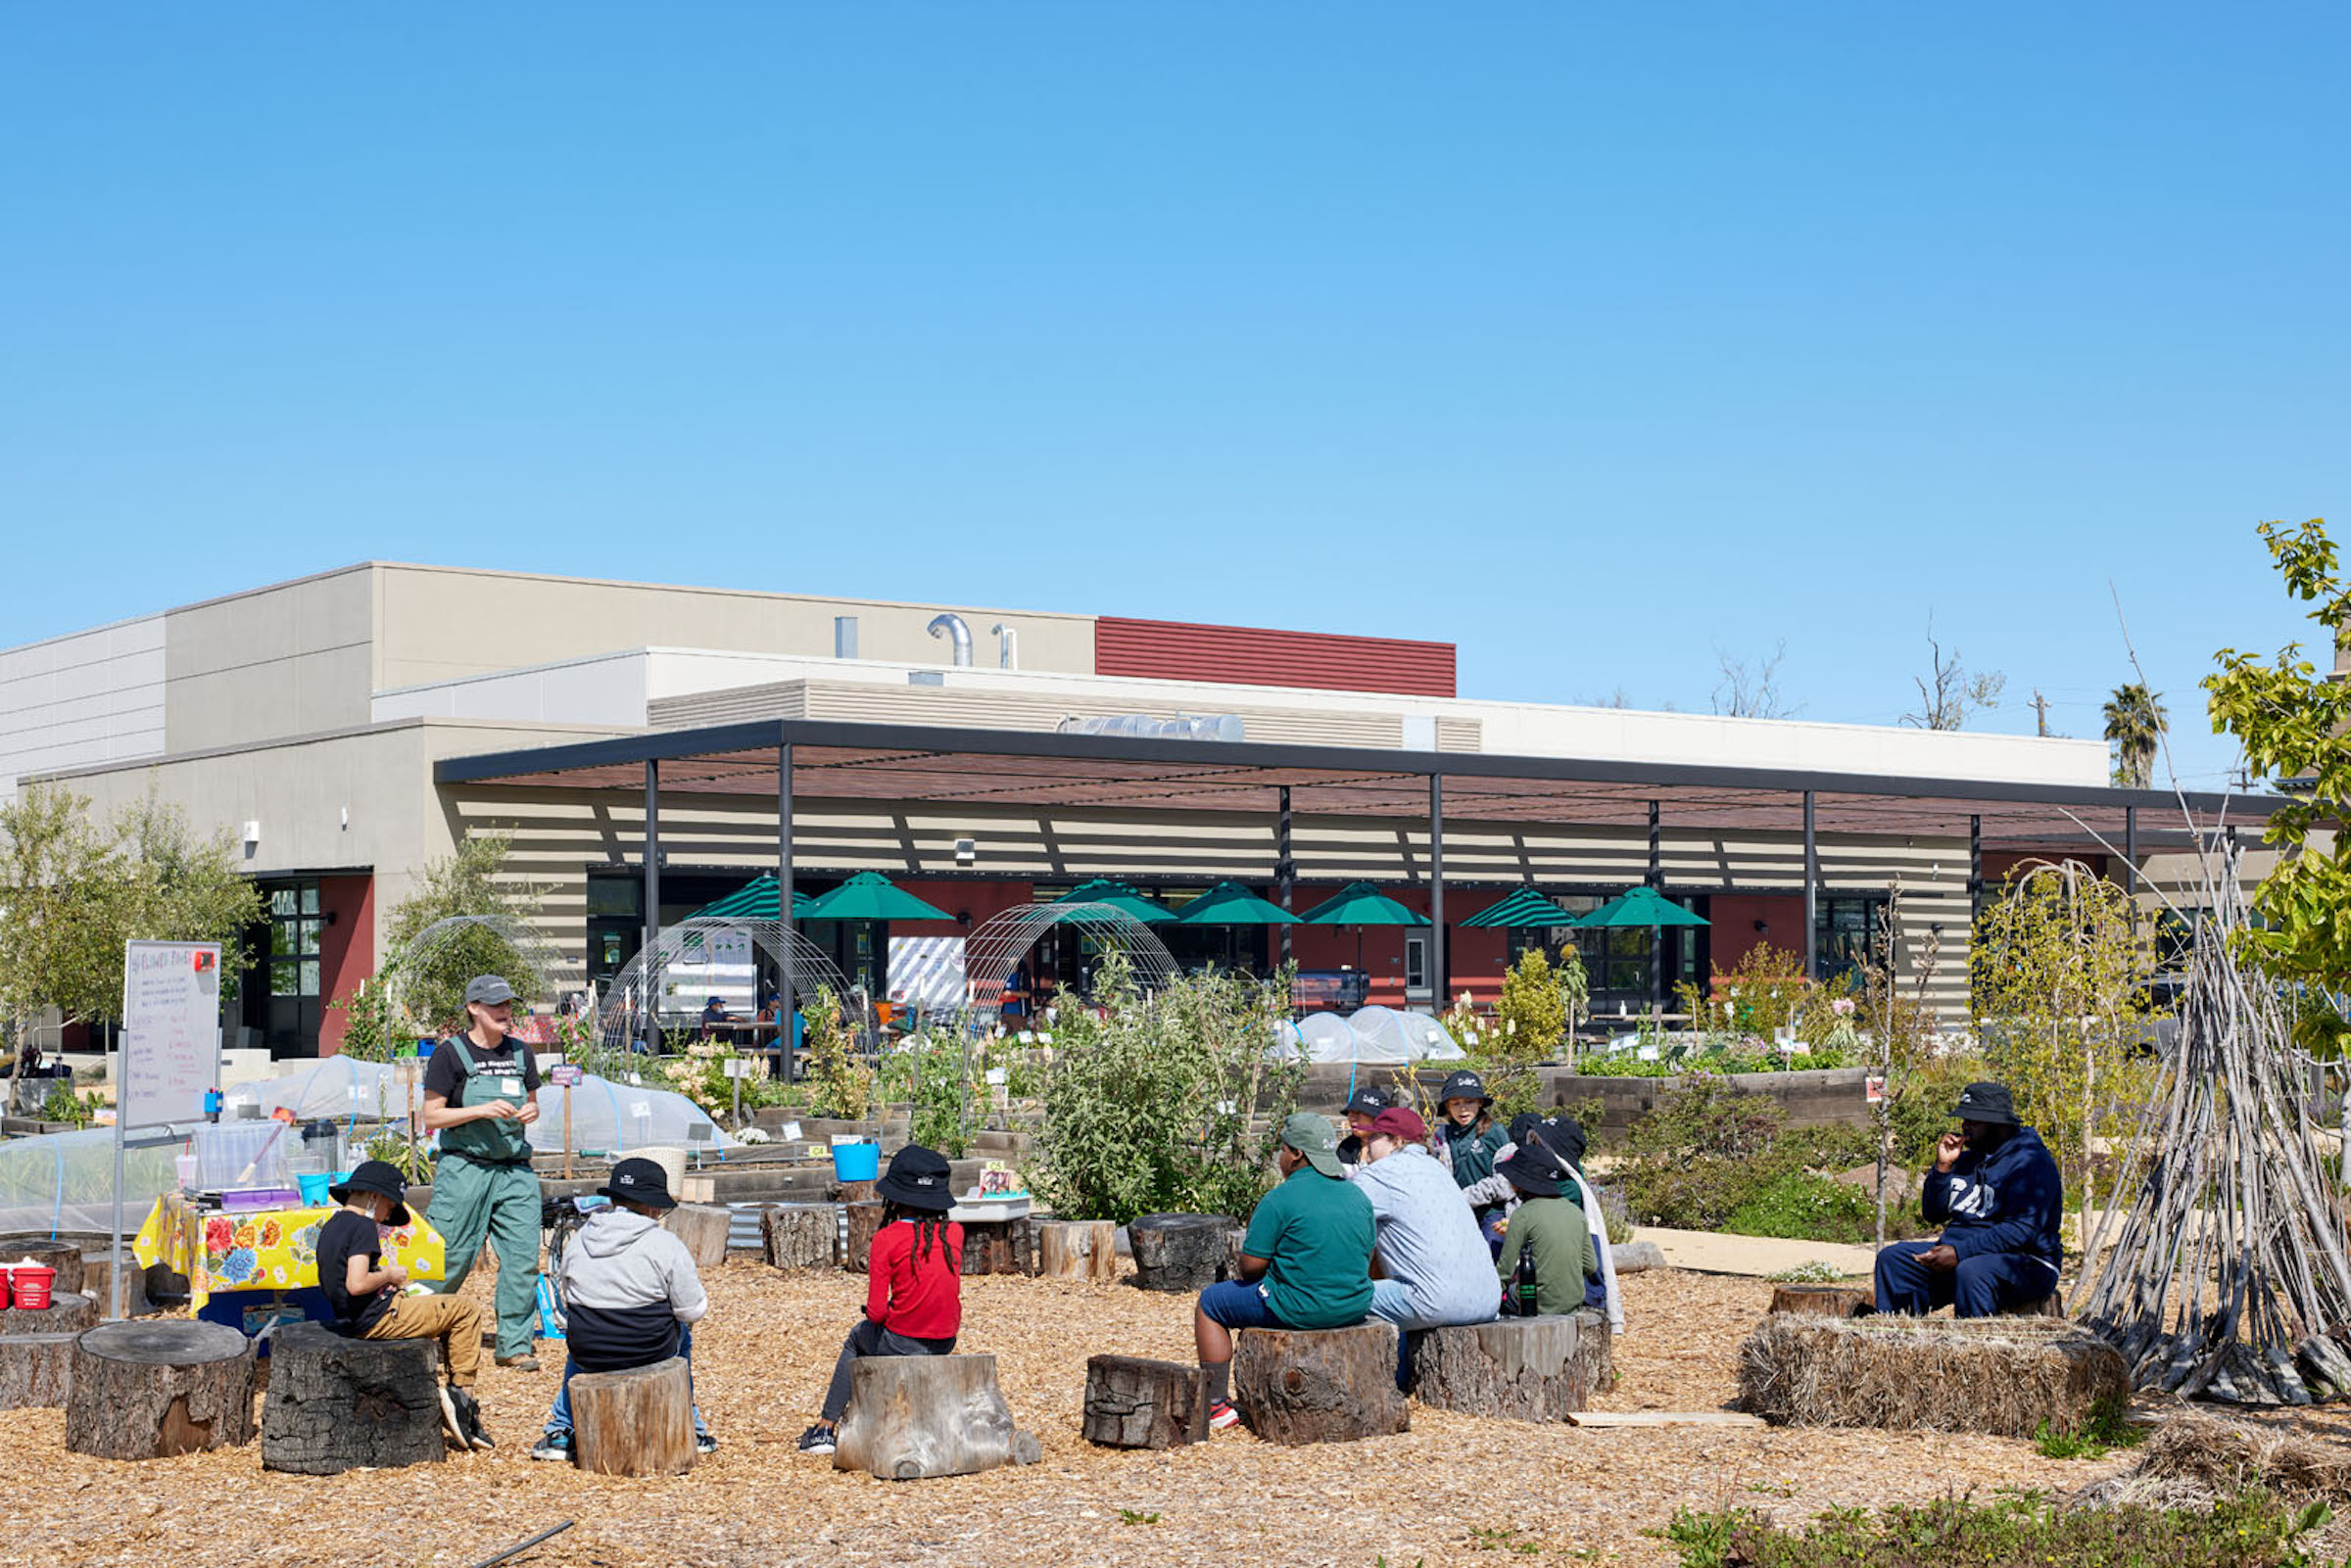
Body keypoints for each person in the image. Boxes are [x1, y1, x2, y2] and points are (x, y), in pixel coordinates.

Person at [1193, 1114, 1374, 1431]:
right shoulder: (1357, 1196)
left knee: (1210, 1303)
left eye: (1283, 1149)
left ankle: (1216, 1405)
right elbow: (1366, 1255)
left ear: (1297, 1155)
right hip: (1354, 1305)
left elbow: (1250, 1268)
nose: (1280, 1156)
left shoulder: (1280, 1198)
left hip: (1299, 1306)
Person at [531, 1158, 715, 1461]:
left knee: (583, 1333)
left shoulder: (579, 1242)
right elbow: (693, 1309)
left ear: (613, 1199)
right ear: (654, 1207)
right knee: (683, 1331)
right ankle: (691, 1425)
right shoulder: (665, 1244)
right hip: (650, 1349)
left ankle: (561, 1430)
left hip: (590, 1350)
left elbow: (568, 1297)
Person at [797, 1145, 964, 1454]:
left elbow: (875, 1313)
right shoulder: (953, 1232)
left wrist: (892, 1313)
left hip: (903, 1341)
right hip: (945, 1340)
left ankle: (825, 1426)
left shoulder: (886, 1239)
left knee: (857, 1338)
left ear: (895, 1198)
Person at [316, 1160, 493, 1450]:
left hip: (353, 1317)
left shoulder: (333, 1225)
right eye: (389, 1207)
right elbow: (356, 1284)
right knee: (466, 1310)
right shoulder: (363, 1226)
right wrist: (390, 1274)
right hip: (377, 1317)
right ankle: (463, 1398)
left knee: (443, 1308)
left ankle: (454, 1397)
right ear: (375, 1197)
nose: (386, 1216)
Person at [422, 974, 546, 1370]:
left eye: (508, 1005)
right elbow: (431, 1115)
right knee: (451, 1255)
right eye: (496, 1006)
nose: (505, 1013)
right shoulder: (450, 1054)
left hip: (514, 1169)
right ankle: (422, 1334)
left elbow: (532, 1103)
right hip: (464, 1168)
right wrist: (479, 1109)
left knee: (523, 1257)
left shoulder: (522, 1053)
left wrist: (532, 1111)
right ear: (474, 1008)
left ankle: (514, 1344)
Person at [1875, 1081, 2063, 1318]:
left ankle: (1973, 1348)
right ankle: (1896, 1338)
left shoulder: (2031, 1163)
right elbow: (1933, 1214)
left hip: (2027, 1262)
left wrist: (1960, 1252)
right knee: (1893, 1260)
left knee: (1972, 1271)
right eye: (1964, 1119)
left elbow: (2021, 1230)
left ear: (1998, 1124)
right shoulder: (1968, 1159)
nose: (1964, 1127)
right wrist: (1943, 1168)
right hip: (1963, 1255)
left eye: (1973, 1121)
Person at [1353, 1106, 1500, 1388]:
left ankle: (1372, 1387)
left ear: (1396, 1141)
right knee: (1404, 1288)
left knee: (1336, 1297)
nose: (1366, 1145)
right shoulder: (1439, 1170)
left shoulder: (1380, 1174)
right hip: (1488, 1299)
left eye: (1373, 1138)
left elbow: (1337, 1222)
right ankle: (1402, 1379)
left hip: (1436, 1300)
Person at [1493, 1139, 1597, 1317]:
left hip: (1535, 1305)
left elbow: (1505, 1271)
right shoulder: (1575, 1213)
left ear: (1520, 1183)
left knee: (1509, 1294)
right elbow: (1590, 1266)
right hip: (1572, 1304)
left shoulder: (1522, 1215)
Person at [1432, 1069, 1511, 1244]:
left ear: (1480, 1103)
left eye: (1469, 1102)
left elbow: (1507, 1181)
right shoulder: (1442, 1136)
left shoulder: (1495, 1132)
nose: (1463, 1109)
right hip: (1455, 1211)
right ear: (1447, 1107)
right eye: (1456, 1103)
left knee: (1491, 1257)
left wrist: (1466, 1197)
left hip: (1492, 1212)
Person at [1335, 1084, 1398, 1167]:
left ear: (1376, 1118)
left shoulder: (1394, 1148)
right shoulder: (1347, 1147)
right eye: (1349, 1113)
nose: (1351, 1118)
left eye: (1358, 1113)